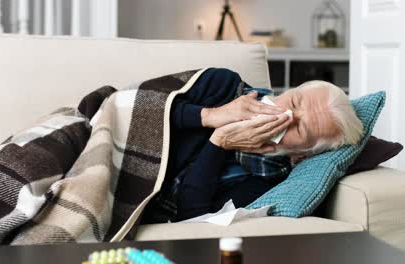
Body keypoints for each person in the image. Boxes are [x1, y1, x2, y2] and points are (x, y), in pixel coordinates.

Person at [140, 68, 363, 224]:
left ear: (301, 156)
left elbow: (191, 219)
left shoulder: (262, 185)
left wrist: (219, 142)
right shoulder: (224, 85)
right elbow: (140, 109)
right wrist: (209, 116)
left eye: (301, 129)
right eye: (294, 102)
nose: (286, 116)